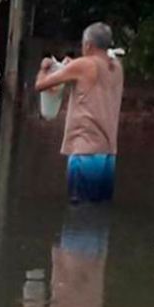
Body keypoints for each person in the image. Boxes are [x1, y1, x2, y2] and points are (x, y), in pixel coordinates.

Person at [35, 22, 125, 203]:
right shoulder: (116, 67)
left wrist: (44, 68)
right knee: (99, 210)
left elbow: (41, 85)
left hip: (85, 150)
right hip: (107, 153)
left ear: (88, 45)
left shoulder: (84, 66)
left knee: (80, 211)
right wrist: (71, 65)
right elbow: (89, 69)